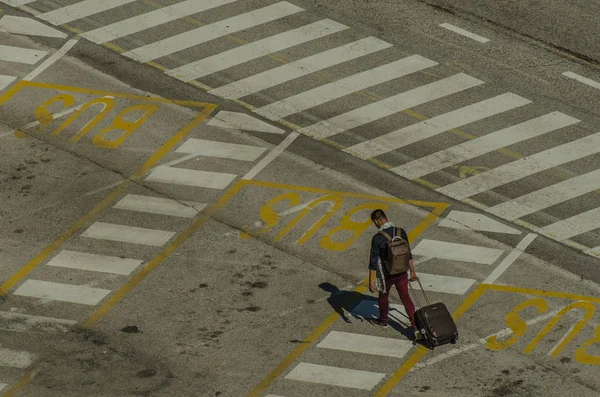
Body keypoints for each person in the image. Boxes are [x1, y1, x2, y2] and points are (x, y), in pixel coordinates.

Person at [368, 209, 422, 339]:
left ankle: (383, 320)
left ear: (376, 221)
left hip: (387, 274)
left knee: (383, 295)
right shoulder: (400, 231)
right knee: (405, 297)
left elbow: (373, 261)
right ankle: (415, 327)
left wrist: (371, 281)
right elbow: (408, 253)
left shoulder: (378, 238)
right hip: (402, 271)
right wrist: (412, 271)